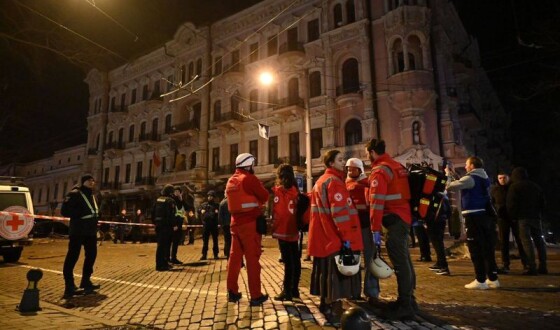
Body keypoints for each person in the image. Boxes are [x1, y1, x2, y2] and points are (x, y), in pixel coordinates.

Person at [308, 150, 363, 326]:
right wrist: (347, 238)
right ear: (331, 163)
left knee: (325, 273)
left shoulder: (320, 181)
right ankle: (334, 309)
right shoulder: (334, 182)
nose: (343, 162)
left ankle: (325, 304)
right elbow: (340, 214)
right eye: (339, 160)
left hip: (322, 237)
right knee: (335, 277)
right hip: (334, 237)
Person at [366, 139, 416, 320]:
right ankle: (409, 300)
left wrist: (374, 229)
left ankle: (405, 306)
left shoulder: (380, 170)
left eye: (367, 153)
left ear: (371, 152)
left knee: (401, 264)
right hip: (403, 216)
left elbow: (376, 202)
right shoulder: (396, 165)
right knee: (406, 261)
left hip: (394, 220)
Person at [446, 156, 500, 290]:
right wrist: (455, 175)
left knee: (475, 248)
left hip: (473, 216)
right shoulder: (484, 177)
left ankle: (480, 280)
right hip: (484, 216)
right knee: (487, 248)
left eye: (466, 164)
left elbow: (450, 187)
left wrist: (447, 175)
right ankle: (493, 278)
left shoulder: (471, 178)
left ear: (472, 166)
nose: (465, 167)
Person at [225, 153, 270, 306]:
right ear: (249, 164)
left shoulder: (231, 181)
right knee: (252, 260)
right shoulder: (249, 179)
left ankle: (232, 292)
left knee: (234, 259)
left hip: (234, 224)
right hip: (250, 224)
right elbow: (265, 196)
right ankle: (256, 295)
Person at [345, 157, 380, 304]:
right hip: (353, 228)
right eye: (348, 168)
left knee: (370, 259)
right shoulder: (345, 185)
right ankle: (353, 291)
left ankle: (371, 292)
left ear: (359, 169)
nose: (349, 171)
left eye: (352, 168)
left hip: (366, 226)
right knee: (353, 260)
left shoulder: (366, 184)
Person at [61, 174, 101, 298]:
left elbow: (94, 211)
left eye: (93, 180)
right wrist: (80, 214)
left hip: (90, 231)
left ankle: (86, 281)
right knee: (72, 257)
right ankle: (69, 286)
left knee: (91, 255)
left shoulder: (92, 196)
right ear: (83, 182)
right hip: (78, 230)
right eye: (89, 180)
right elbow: (65, 211)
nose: (91, 182)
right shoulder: (75, 194)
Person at [506, 167, 547, 275]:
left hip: (522, 218)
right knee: (539, 242)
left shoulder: (514, 187)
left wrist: (513, 216)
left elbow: (511, 204)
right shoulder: (535, 187)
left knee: (526, 242)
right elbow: (543, 203)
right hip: (535, 217)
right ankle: (543, 266)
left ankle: (531, 266)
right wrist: (539, 214)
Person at [271, 164, 302, 301]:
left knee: (288, 262)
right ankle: (295, 289)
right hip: (293, 230)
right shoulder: (295, 191)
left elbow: (279, 213)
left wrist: (274, 228)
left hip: (283, 231)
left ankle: (287, 291)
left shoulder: (280, 192)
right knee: (295, 260)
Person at [491, 172, 527, 273]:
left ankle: (526, 263)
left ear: (508, 178)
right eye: (500, 178)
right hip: (502, 218)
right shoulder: (495, 190)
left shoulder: (513, 188)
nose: (502, 180)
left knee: (520, 241)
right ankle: (505, 264)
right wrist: (496, 214)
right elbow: (492, 203)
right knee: (504, 242)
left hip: (514, 218)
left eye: (504, 178)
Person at [152, 184, 176, 271]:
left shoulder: (158, 200)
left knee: (160, 246)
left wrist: (155, 223)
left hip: (158, 225)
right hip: (167, 226)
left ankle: (162, 264)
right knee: (165, 246)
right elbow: (171, 215)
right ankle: (161, 265)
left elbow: (152, 212)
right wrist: (173, 225)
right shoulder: (170, 201)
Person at [427, 192, 452, 275]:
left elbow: (432, 210)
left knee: (438, 244)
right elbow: (449, 211)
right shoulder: (444, 196)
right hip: (441, 220)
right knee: (437, 243)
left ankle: (444, 266)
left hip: (435, 221)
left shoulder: (435, 196)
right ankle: (439, 263)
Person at [198, 190, 220, 260]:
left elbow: (219, 214)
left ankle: (216, 254)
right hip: (206, 225)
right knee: (205, 240)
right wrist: (200, 211)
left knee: (215, 240)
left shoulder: (217, 205)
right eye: (209, 196)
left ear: (214, 197)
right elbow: (198, 210)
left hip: (214, 225)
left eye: (211, 196)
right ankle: (204, 255)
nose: (210, 197)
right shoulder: (204, 205)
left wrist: (217, 212)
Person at [170, 186, 186, 264]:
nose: (177, 193)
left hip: (179, 225)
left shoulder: (181, 201)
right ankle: (169, 258)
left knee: (176, 242)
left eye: (178, 191)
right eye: (175, 191)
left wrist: (182, 200)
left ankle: (173, 258)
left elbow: (187, 207)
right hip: (173, 225)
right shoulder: (172, 201)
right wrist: (174, 225)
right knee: (170, 242)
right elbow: (171, 214)